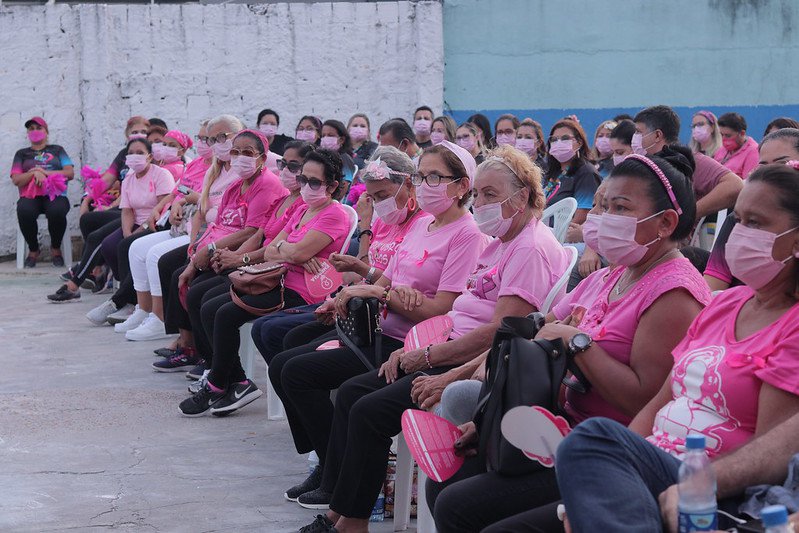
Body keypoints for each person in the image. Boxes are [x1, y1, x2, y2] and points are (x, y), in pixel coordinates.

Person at [427, 149, 711, 533]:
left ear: (665, 222)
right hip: (556, 424)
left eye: (620, 208)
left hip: (606, 450)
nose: (602, 218)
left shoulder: (673, 293)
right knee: (445, 482)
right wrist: (493, 417)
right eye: (602, 206)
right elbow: (538, 327)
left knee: (461, 506)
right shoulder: (613, 275)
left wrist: (578, 343)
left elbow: (645, 401)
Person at [295, 144, 574, 533]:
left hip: (473, 362)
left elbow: (503, 332)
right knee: (353, 394)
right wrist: (418, 346)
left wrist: (429, 357)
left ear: (522, 196)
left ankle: (350, 522)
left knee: (368, 410)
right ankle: (342, 513)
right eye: (479, 194)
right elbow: (460, 309)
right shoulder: (501, 241)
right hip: (444, 343)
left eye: (489, 194)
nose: (480, 204)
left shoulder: (529, 248)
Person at [555, 162, 799, 533]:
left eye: (755, 223)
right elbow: (660, 402)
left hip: (713, 485)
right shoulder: (723, 304)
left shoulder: (791, 325)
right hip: (656, 462)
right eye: (737, 220)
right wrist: (619, 466)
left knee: (592, 439)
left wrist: (691, 486)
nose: (738, 233)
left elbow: (769, 453)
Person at [268, 141, 483, 509]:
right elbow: (386, 279)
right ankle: (327, 460)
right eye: (421, 175)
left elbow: (441, 310)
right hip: (375, 326)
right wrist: (353, 294)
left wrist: (384, 294)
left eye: (434, 177)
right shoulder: (424, 224)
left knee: (299, 373)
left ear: (462, 185)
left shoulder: (467, 234)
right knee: (284, 361)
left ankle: (333, 473)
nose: (424, 184)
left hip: (404, 340)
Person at [178, 147, 350, 416]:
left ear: (332, 186)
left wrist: (293, 253)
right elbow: (272, 249)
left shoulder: (334, 214)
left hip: (303, 292)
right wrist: (292, 253)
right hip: (277, 279)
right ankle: (237, 381)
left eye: (314, 182)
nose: (306, 186)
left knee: (225, 313)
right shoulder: (302, 210)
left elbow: (295, 252)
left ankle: (217, 384)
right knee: (210, 306)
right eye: (303, 179)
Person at [249, 146, 425, 373]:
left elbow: (382, 278)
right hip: (356, 302)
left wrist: (360, 257)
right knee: (268, 332)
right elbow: (357, 273)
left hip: (375, 313)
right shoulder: (384, 221)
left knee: (285, 347)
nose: (379, 203)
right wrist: (364, 235)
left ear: (408, 185)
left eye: (383, 196)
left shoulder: (419, 225)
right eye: (373, 197)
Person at [48, 138, 174, 303]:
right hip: (134, 221)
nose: (134, 156)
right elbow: (127, 210)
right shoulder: (128, 178)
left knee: (123, 245)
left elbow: (161, 210)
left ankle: (123, 296)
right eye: (131, 153)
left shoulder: (161, 175)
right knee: (106, 244)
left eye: (140, 153)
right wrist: (127, 232)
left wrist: (137, 231)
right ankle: (122, 285)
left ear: (150, 156)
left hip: (154, 224)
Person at [120, 123, 214, 341]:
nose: (203, 143)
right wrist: (167, 206)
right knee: (136, 248)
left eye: (208, 139)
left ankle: (159, 317)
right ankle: (144, 309)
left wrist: (191, 200)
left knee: (155, 255)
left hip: (198, 230)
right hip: (179, 223)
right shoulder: (194, 165)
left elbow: (211, 201)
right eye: (200, 138)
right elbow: (177, 191)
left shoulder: (218, 169)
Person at [705, 128, 799, 291]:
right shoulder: (737, 219)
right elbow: (713, 283)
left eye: (783, 164)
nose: (771, 174)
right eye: (764, 167)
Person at [633, 105, 743, 220]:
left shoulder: (689, 161)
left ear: (657, 135)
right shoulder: (642, 164)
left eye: (638, 132)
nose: (634, 138)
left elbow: (735, 186)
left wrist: (687, 216)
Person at [11, 116, 74, 268]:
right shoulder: (21, 154)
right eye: (31, 129)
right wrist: (34, 173)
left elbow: (69, 173)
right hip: (30, 195)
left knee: (57, 210)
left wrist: (44, 172)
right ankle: (33, 249)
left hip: (55, 194)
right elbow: (16, 179)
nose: (35, 131)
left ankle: (56, 248)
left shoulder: (57, 150)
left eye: (39, 128)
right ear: (28, 133)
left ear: (46, 132)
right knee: (24, 211)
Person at [543, 118, 600, 223]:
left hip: (564, 232)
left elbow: (583, 214)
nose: (559, 143)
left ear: (579, 143)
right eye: (554, 139)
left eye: (565, 138)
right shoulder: (552, 172)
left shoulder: (586, 173)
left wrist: (561, 232)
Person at [714, 112, 760, 179]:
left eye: (728, 135)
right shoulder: (721, 150)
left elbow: (749, 182)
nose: (723, 139)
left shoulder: (753, 152)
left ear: (742, 133)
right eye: (721, 135)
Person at [320, 119, 356, 183]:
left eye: (330, 135)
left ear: (341, 140)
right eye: (323, 135)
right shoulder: (321, 157)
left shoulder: (345, 159)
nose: (325, 138)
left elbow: (345, 184)